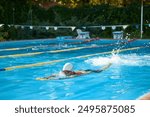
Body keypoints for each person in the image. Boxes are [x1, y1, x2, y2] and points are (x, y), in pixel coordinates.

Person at [36, 62, 112, 80]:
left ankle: (107, 65)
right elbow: (55, 75)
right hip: (80, 71)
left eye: (66, 71)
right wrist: (45, 78)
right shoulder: (63, 72)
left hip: (84, 72)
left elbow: (74, 75)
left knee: (99, 71)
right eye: (65, 71)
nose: (65, 72)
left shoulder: (74, 73)